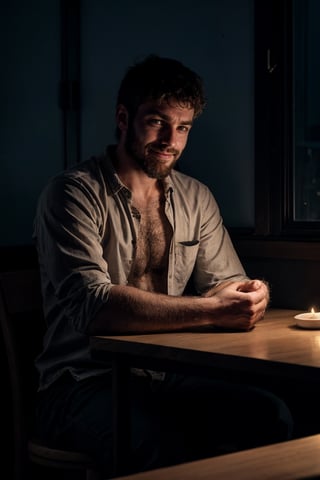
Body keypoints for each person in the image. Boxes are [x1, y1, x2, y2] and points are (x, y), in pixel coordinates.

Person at [33, 54, 293, 478]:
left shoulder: (196, 197)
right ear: (123, 117)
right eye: (157, 121)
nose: (171, 138)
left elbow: (227, 281)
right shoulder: (71, 194)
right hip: (81, 383)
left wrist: (249, 293)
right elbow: (93, 306)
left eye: (184, 127)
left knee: (270, 414)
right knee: (162, 444)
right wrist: (213, 310)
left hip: (169, 375)